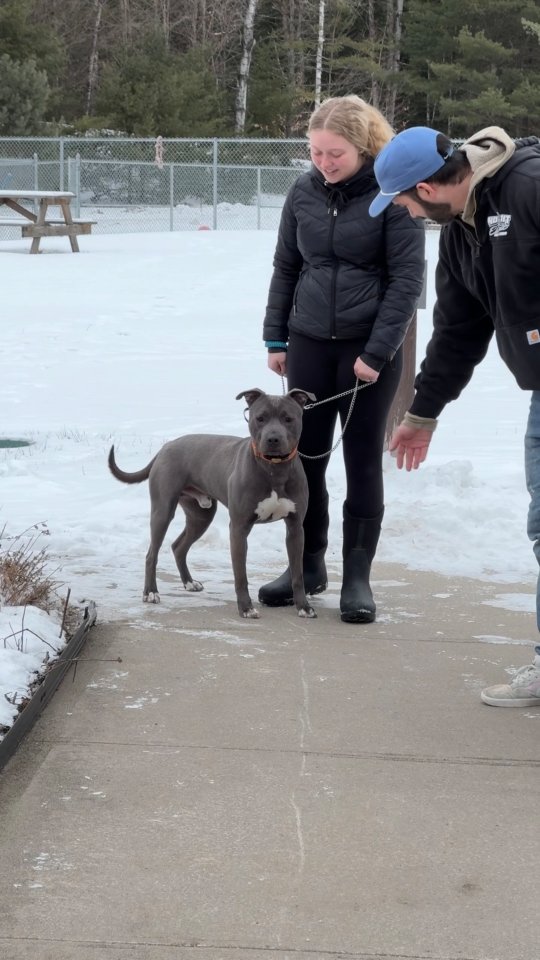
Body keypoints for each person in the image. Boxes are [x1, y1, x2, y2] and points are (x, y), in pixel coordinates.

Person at [369, 124, 540, 704]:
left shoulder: (529, 189)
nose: (407, 214)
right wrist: (422, 413)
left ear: (426, 188)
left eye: (404, 204)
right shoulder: (463, 233)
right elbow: (458, 331)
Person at [260, 96, 425, 623]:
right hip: (308, 341)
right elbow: (286, 266)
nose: (324, 163)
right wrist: (276, 339)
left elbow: (407, 282)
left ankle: (357, 577)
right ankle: (307, 566)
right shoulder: (302, 192)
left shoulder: (391, 195)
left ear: (363, 147)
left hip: (367, 349)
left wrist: (376, 352)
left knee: (360, 459)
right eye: (316, 152)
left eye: (335, 153)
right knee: (304, 460)